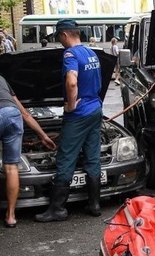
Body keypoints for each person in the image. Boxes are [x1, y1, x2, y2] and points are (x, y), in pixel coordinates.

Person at [35, 19, 103, 222]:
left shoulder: (70, 54)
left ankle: (58, 209)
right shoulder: (92, 53)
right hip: (95, 110)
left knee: (66, 157)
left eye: (58, 37)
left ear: (64, 35)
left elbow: (72, 82)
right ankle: (94, 205)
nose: (59, 41)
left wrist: (71, 105)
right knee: (92, 156)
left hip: (79, 114)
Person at [0, 74, 57, 227]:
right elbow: (25, 113)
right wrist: (43, 136)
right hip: (12, 114)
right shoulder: (2, 79)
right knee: (11, 168)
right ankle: (11, 216)